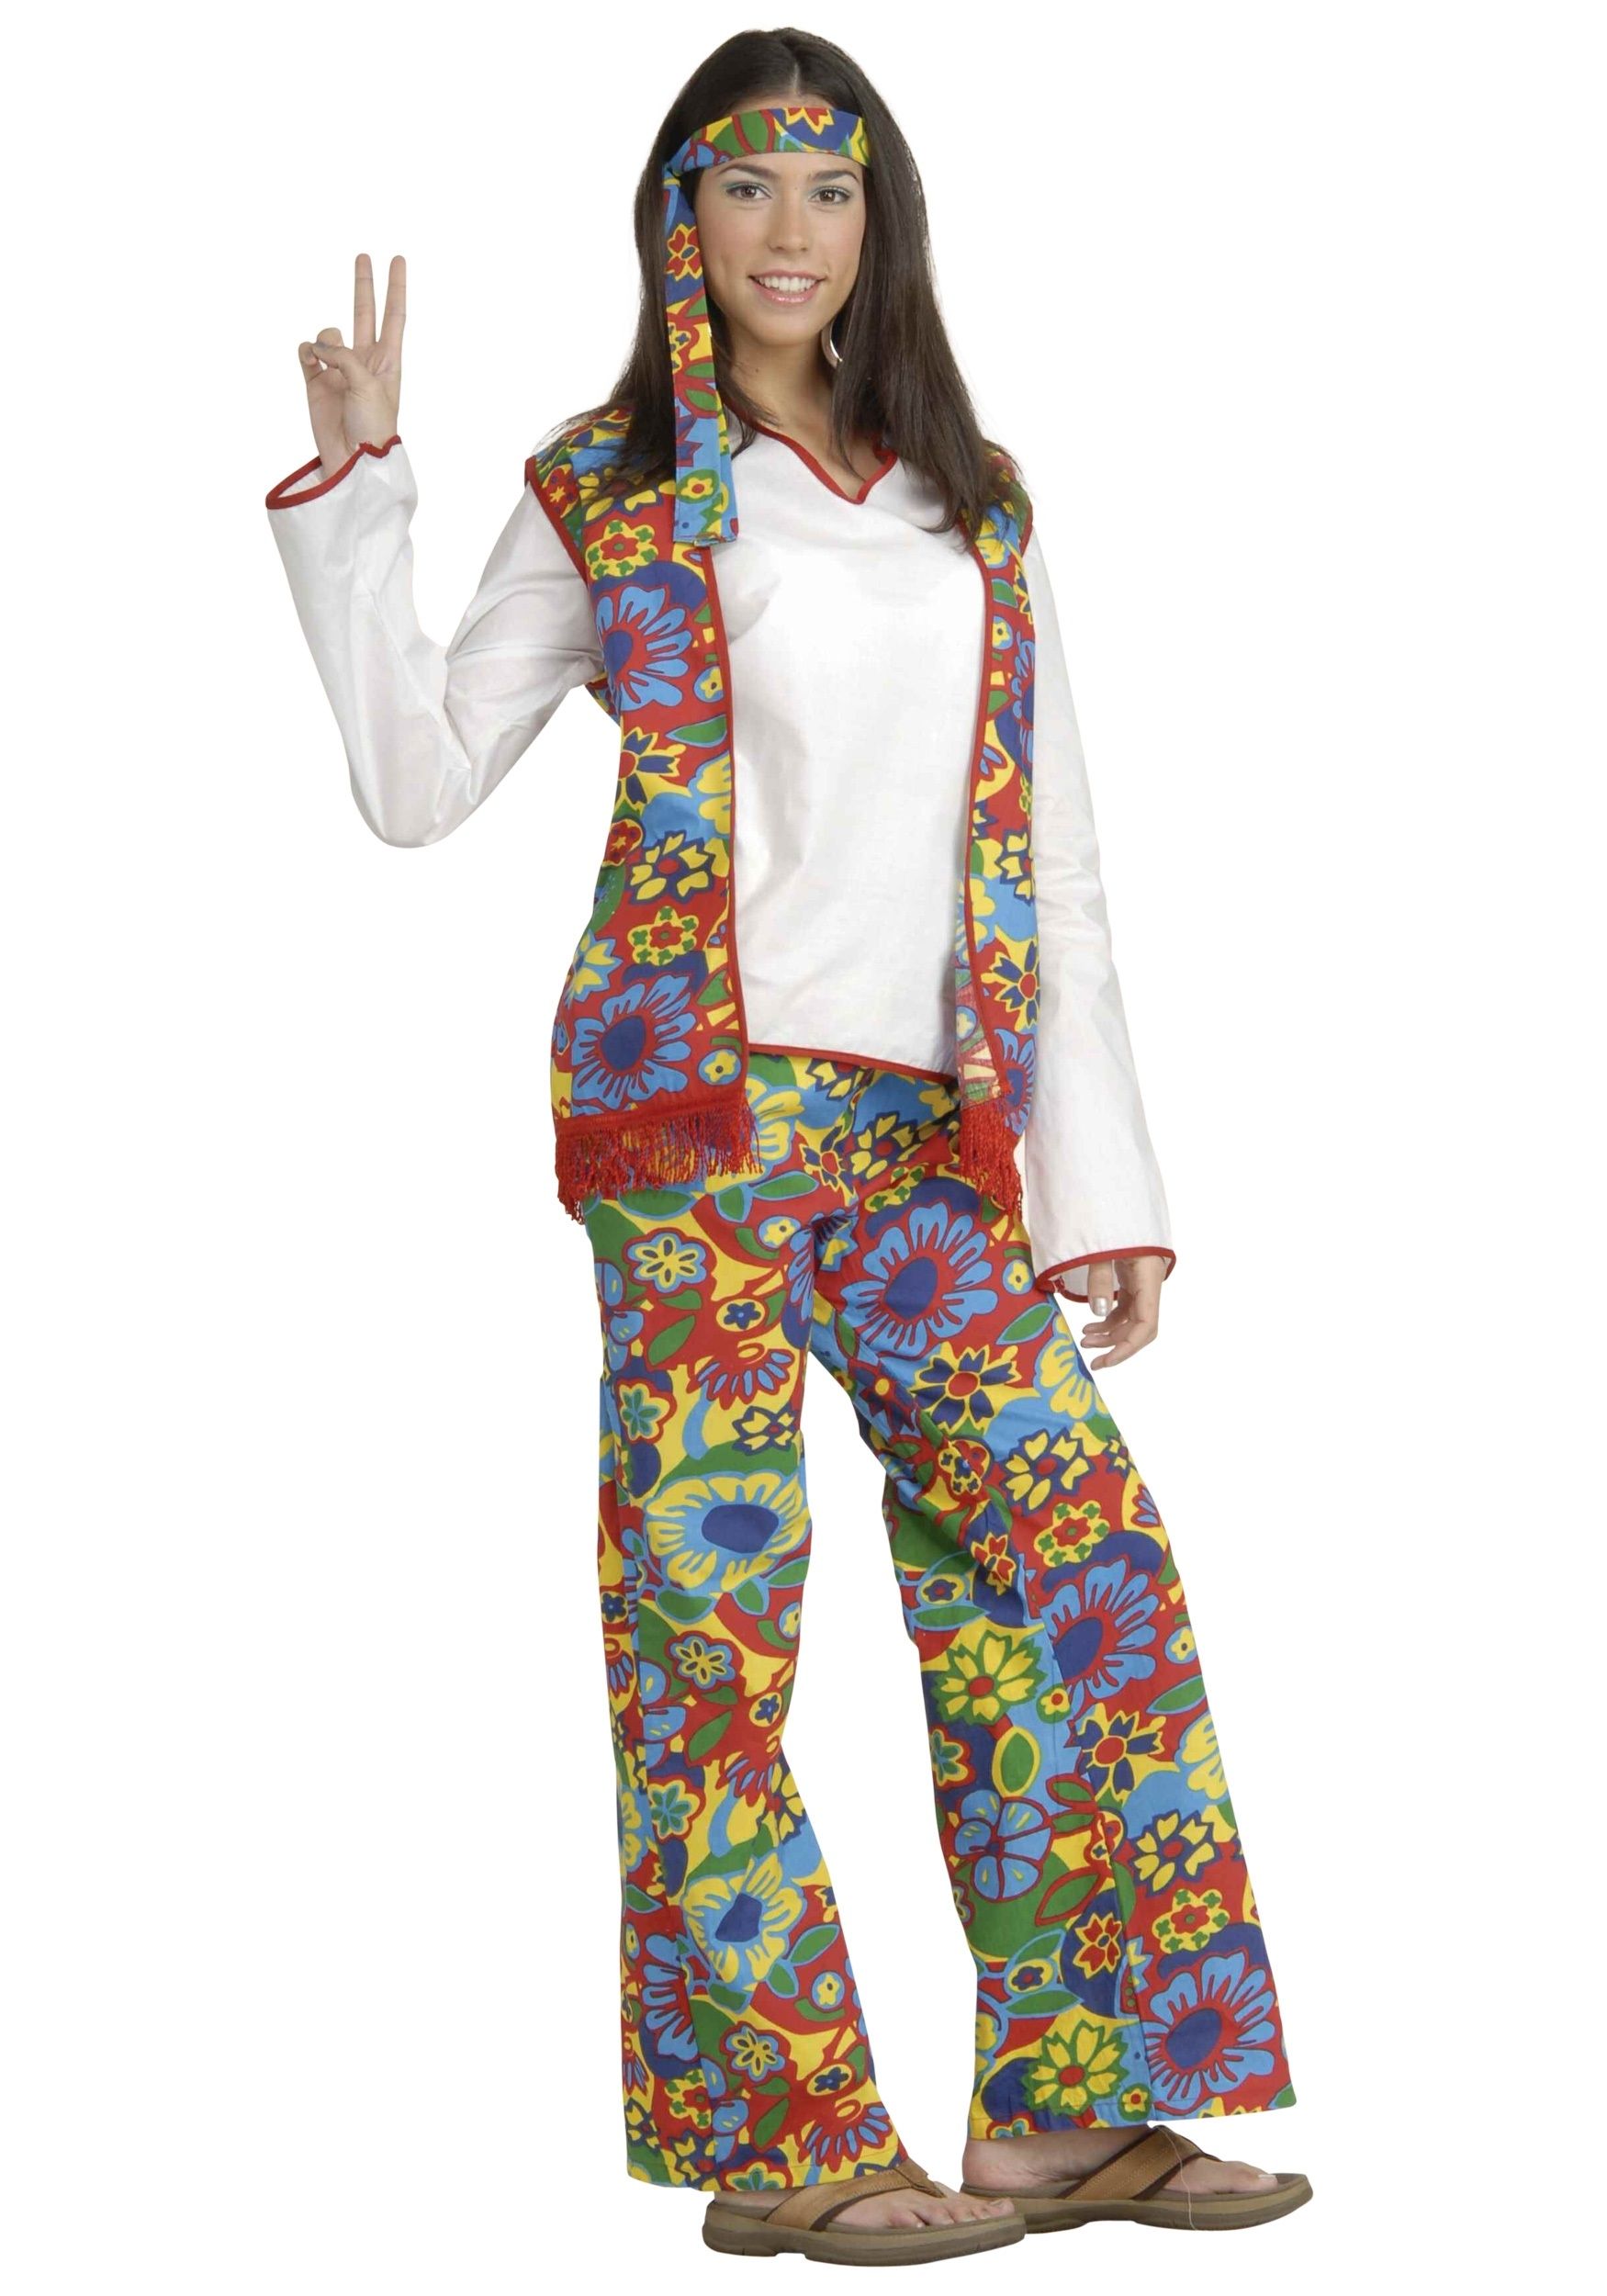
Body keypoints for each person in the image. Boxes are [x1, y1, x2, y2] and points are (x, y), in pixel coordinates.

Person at [264, 25, 1311, 2268]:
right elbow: (417, 783)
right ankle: (781, 2128)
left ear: (877, 224)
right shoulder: (614, 487)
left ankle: (1061, 2112)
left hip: (931, 1142)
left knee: (1072, 1570)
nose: (786, 232)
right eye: (742, 186)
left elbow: (1053, 853)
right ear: (675, 215)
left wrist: (1098, 1180)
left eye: (828, 191)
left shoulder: (969, 497)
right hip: (695, 1129)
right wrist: (360, 497)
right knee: (710, 1628)